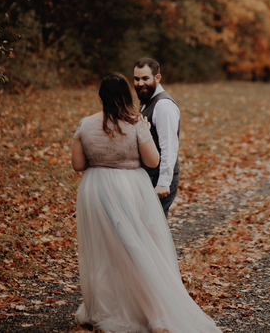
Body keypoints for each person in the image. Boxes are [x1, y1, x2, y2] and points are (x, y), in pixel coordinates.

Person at [72, 72, 222, 333]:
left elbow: (78, 165)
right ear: (126, 95)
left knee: (103, 251)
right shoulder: (136, 124)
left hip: (94, 189)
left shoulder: (85, 125)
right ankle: (148, 308)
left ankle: (106, 307)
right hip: (129, 187)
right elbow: (152, 161)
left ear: (100, 97)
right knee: (137, 246)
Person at [133, 58, 180, 217]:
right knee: (149, 230)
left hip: (159, 179)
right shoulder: (146, 101)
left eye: (145, 78)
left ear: (157, 78)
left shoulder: (163, 105)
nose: (140, 83)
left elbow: (169, 146)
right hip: (149, 177)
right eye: (137, 79)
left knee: (153, 231)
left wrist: (163, 183)